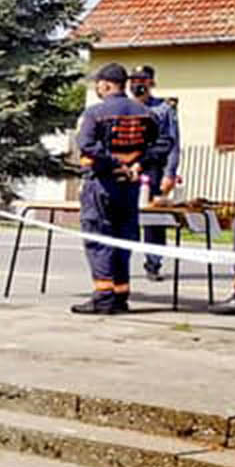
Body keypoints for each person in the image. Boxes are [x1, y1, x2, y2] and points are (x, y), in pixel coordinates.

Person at [72, 62, 168, 315]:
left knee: (98, 239)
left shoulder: (95, 113)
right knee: (123, 240)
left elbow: (87, 144)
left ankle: (103, 297)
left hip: (102, 185)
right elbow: (163, 144)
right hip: (130, 187)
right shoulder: (146, 113)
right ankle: (120, 296)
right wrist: (138, 164)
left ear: (105, 84)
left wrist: (115, 162)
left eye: (98, 84)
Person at [129, 65, 181, 282]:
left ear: (151, 82)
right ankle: (117, 263)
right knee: (124, 216)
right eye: (134, 79)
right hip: (127, 167)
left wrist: (170, 173)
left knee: (153, 218)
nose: (138, 84)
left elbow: (173, 144)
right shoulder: (123, 106)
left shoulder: (164, 109)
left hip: (153, 168)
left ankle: (153, 263)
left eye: (143, 80)